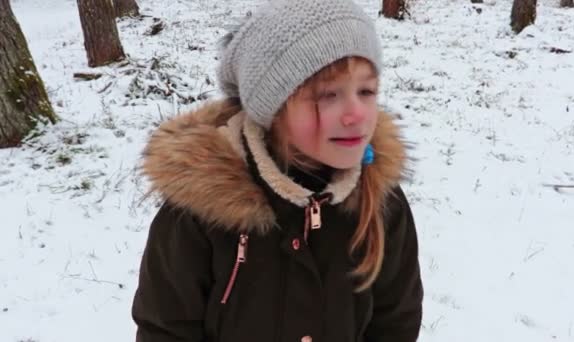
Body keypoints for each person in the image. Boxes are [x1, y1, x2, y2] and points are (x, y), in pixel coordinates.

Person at [131, 0, 423, 341]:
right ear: (273, 108)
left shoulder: (380, 203)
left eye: (366, 91)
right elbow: (165, 330)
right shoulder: (199, 214)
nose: (356, 113)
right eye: (328, 95)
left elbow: (395, 323)